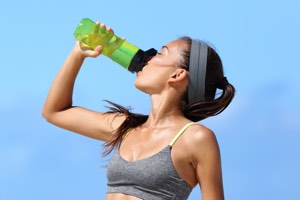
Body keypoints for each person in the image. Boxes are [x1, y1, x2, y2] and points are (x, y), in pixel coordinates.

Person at [42, 22, 235, 200]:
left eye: (160, 53)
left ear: (177, 74)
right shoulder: (126, 127)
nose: (147, 57)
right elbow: (55, 112)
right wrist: (78, 54)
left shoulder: (196, 138)